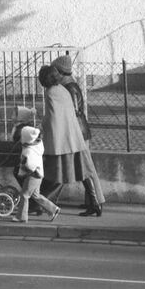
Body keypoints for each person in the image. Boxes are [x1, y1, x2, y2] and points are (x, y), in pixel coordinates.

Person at [40, 62, 105, 217]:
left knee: (57, 173)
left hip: (62, 140)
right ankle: (95, 204)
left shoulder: (50, 92)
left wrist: (41, 128)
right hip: (75, 137)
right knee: (84, 172)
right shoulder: (63, 89)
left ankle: (42, 203)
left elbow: (52, 117)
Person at [10, 124, 60, 224]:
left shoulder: (28, 150)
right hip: (38, 174)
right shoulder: (37, 145)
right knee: (36, 195)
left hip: (32, 175)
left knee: (25, 195)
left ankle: (22, 217)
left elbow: (30, 166)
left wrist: (22, 166)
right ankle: (53, 209)